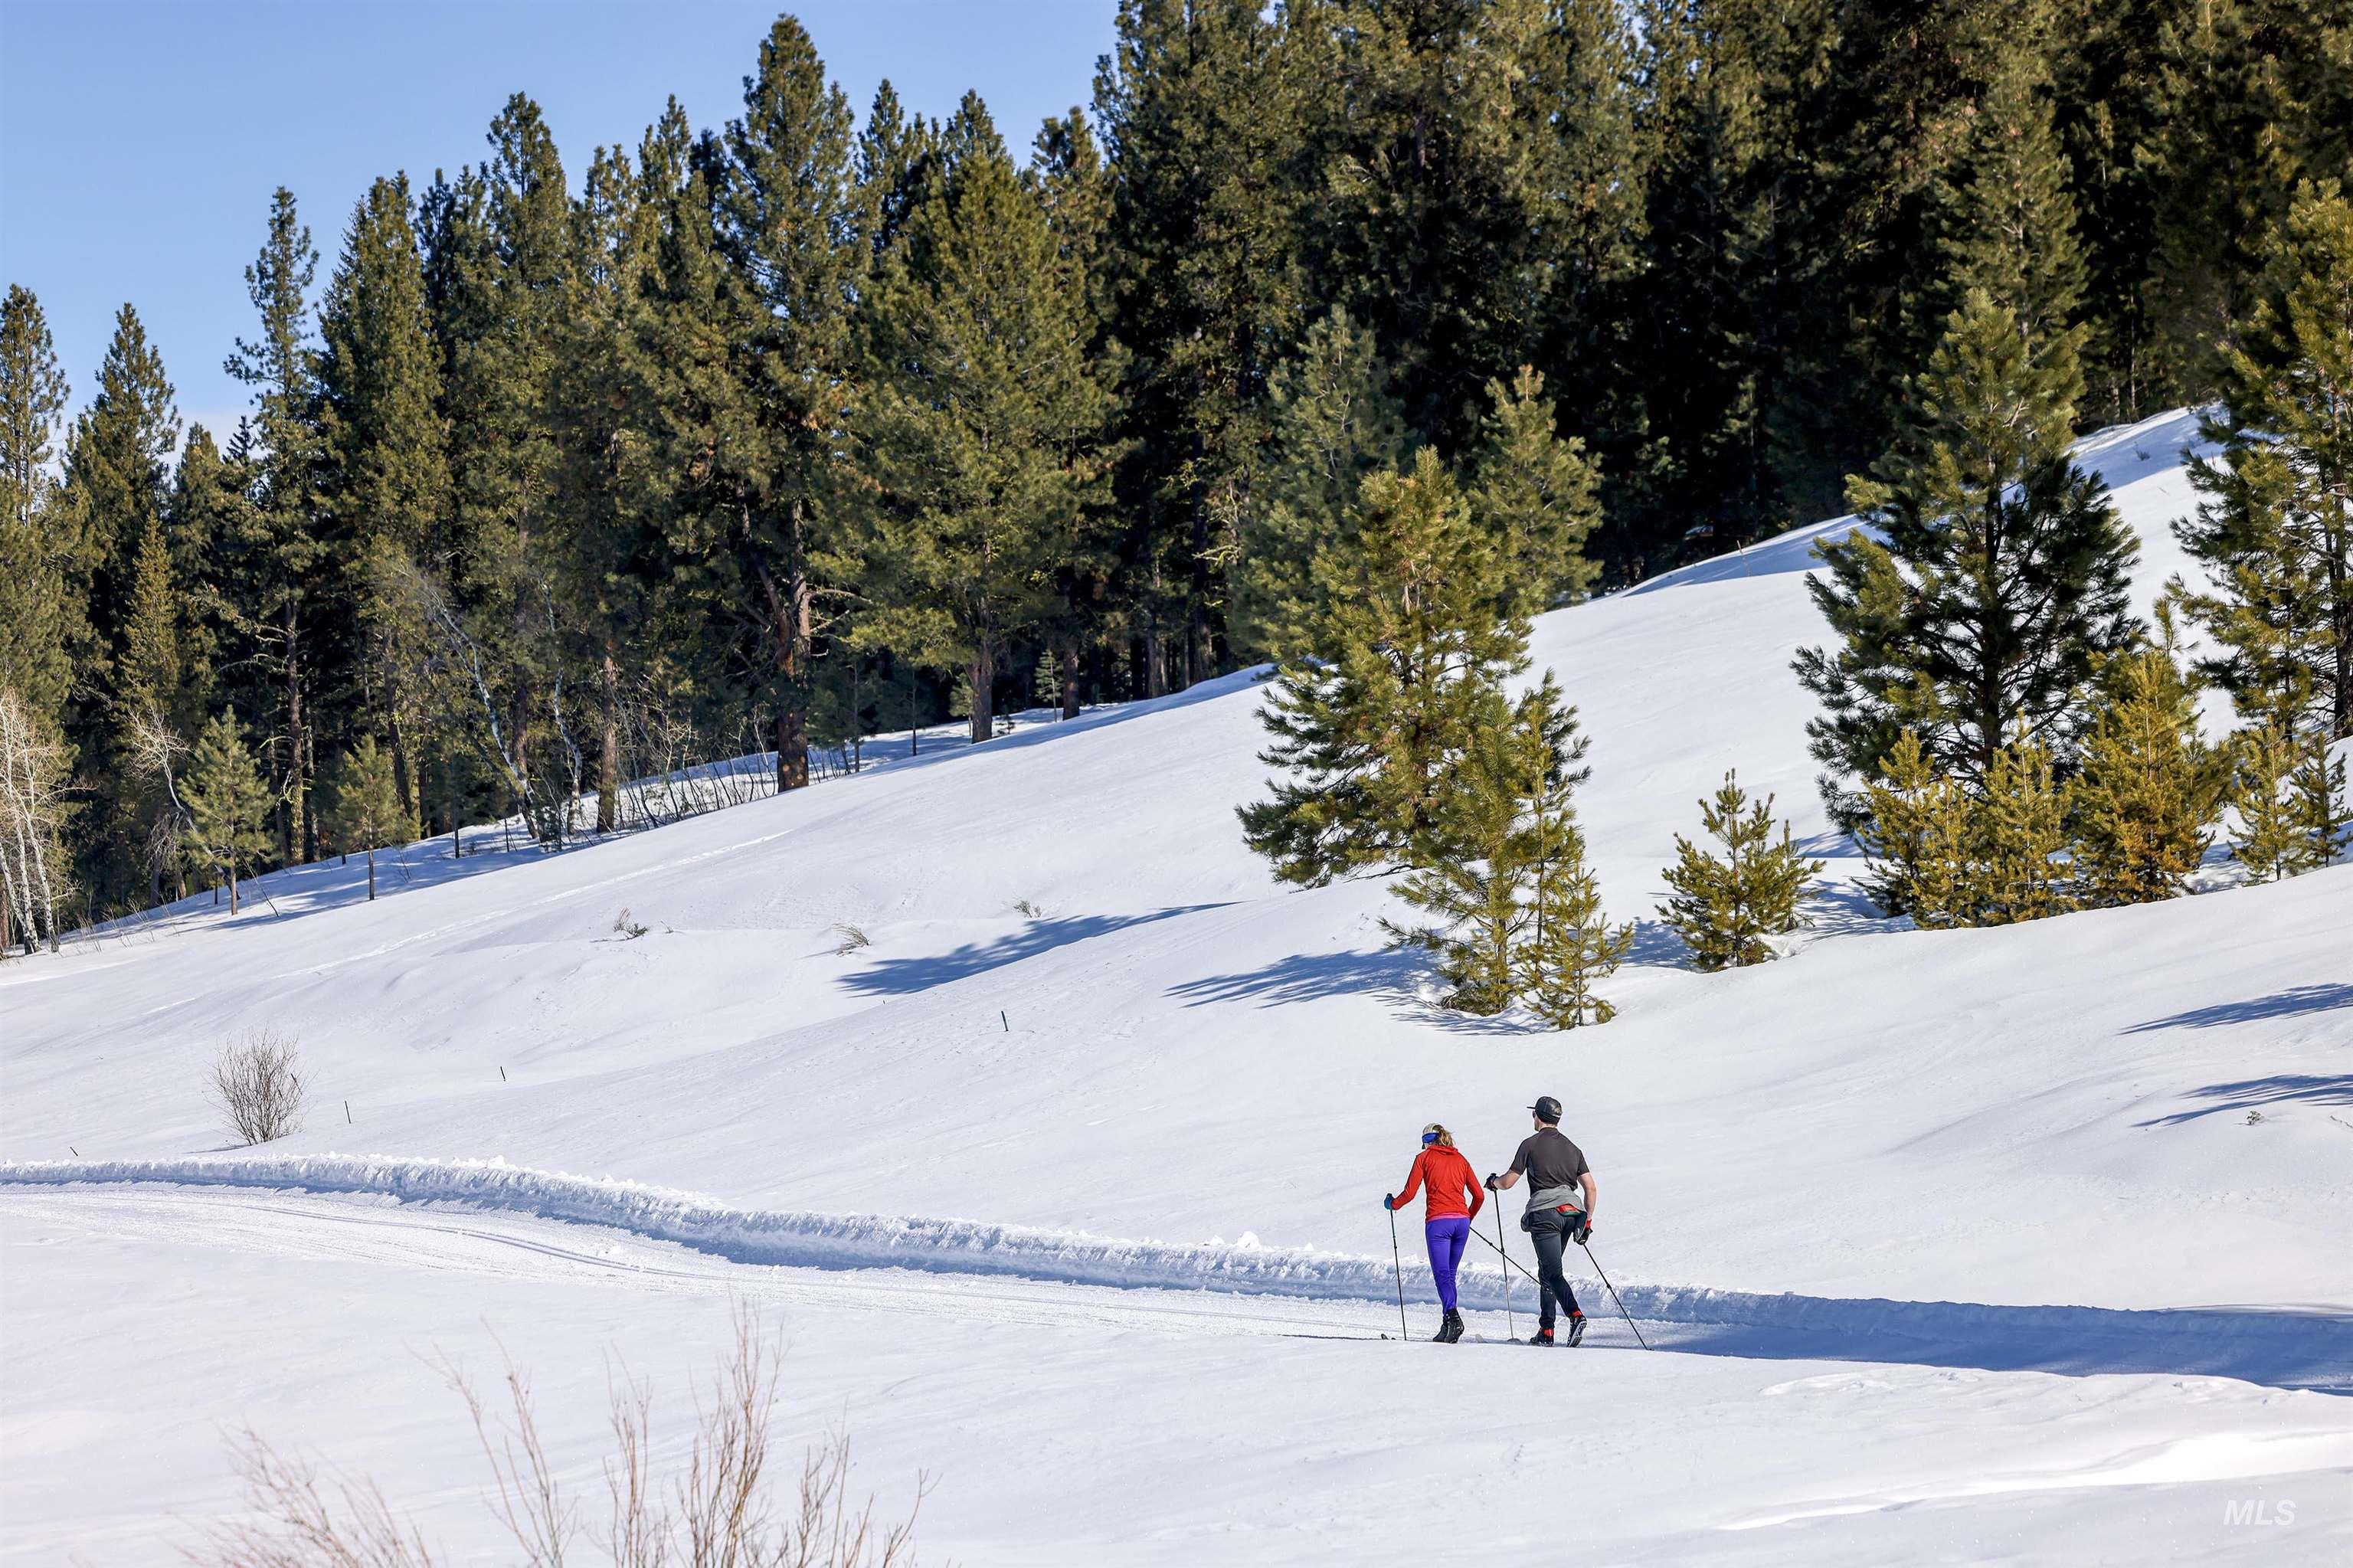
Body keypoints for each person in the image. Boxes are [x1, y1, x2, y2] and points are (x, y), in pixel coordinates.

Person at [1487, 1095, 1596, 1346]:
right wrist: (1586, 1224)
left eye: (1533, 1114)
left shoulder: (1530, 1145)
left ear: (1538, 1116)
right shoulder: (1573, 1148)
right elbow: (1591, 1188)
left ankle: (1575, 1315)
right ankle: (1546, 1331)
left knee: (1552, 1273)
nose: (1532, 1119)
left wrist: (1493, 1182)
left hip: (1545, 1214)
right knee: (1547, 1271)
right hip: (1572, 1214)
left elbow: (1508, 1182)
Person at [1384, 1123, 1484, 1342]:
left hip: (1438, 1223)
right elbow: (1479, 1196)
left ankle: (1453, 1317)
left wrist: (1393, 1205)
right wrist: (1467, 1218)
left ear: (1428, 1141)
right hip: (1461, 1224)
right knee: (1450, 1275)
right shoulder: (1461, 1160)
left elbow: (1409, 1193)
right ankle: (1447, 1325)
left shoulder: (1424, 1158)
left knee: (1442, 1276)